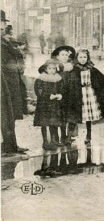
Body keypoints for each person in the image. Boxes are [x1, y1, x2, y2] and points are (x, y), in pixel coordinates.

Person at [70, 49, 104, 145]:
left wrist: (98, 88)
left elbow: (101, 79)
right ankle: (72, 135)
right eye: (80, 57)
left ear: (88, 58)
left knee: (88, 115)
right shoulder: (74, 69)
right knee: (76, 113)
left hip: (89, 93)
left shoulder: (92, 69)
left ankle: (88, 135)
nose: (82, 59)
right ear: (77, 58)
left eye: (84, 57)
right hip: (79, 94)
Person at [0, 10, 29, 157]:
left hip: (11, 83)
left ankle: (11, 145)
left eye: (3, 23)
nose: (2, 26)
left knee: (10, 116)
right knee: (5, 115)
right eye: (1, 23)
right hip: (3, 83)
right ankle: (8, 146)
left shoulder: (6, 42)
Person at [34, 59, 65, 150]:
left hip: (55, 104)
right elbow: (38, 90)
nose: (52, 70)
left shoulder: (58, 78)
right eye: (50, 68)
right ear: (45, 69)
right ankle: (45, 141)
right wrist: (48, 96)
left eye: (54, 68)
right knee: (44, 123)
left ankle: (53, 140)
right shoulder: (41, 78)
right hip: (44, 104)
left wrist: (60, 94)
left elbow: (62, 88)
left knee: (53, 122)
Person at [52, 45, 77, 145]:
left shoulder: (72, 67)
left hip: (70, 95)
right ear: (57, 56)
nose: (65, 57)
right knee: (59, 116)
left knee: (68, 116)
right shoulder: (54, 67)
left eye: (66, 55)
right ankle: (58, 137)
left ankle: (67, 136)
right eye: (62, 55)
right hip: (58, 95)